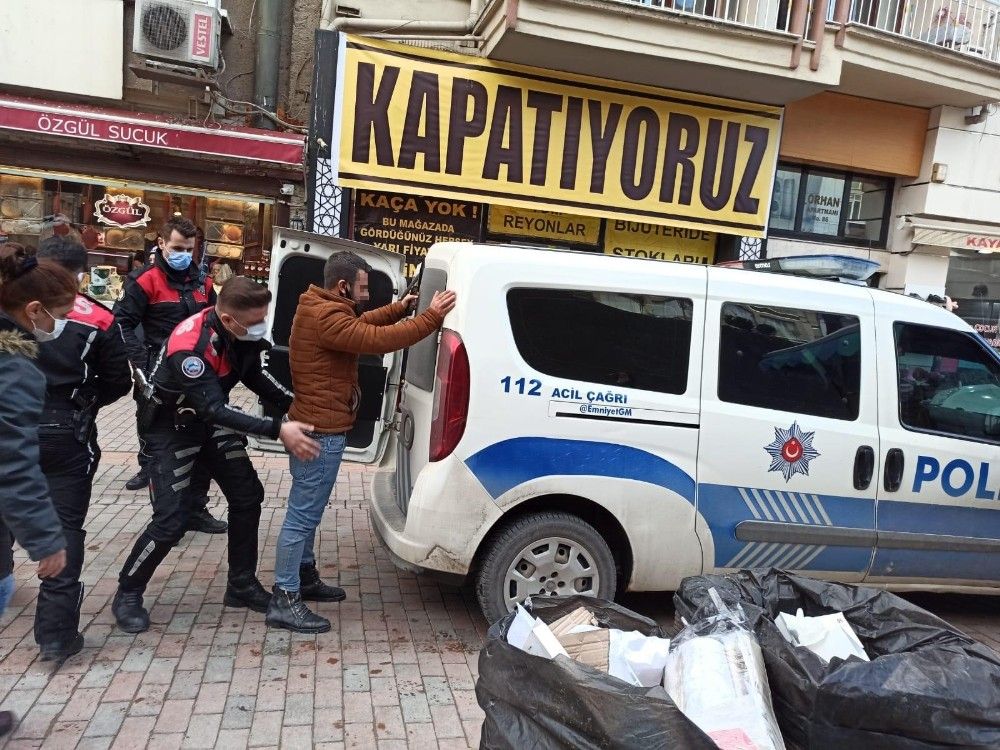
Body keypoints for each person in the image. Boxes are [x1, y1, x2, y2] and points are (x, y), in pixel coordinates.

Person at [112, 276, 320, 634]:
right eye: (256, 321)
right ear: (228, 319)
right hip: (171, 428)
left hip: (209, 421)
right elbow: (214, 409)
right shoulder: (189, 347)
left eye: (263, 318)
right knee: (171, 521)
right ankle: (128, 593)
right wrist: (278, 429)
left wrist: (296, 405)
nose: (261, 326)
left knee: (247, 496)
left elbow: (254, 377)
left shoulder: (240, 333)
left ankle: (241, 585)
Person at [268, 252, 456, 633]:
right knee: (301, 517)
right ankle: (284, 598)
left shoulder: (321, 306)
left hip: (317, 426)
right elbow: (377, 339)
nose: (367, 296)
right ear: (343, 286)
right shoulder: (327, 316)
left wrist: (400, 309)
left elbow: (361, 326)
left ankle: (303, 576)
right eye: (363, 288)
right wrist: (431, 318)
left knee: (307, 513)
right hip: (321, 433)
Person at [33, 236, 132, 660]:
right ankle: (55, 635)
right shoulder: (99, 318)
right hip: (65, 429)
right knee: (65, 526)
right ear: (80, 274)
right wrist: (84, 403)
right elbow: (119, 380)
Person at [114, 217, 227, 534]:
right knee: (161, 453)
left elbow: (215, 320)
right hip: (159, 376)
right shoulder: (144, 281)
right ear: (161, 244)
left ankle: (196, 510)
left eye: (190, 249)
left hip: (197, 375)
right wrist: (142, 366)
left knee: (202, 445)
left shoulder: (203, 282)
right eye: (178, 248)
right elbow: (121, 324)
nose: (184, 255)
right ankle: (167, 519)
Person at [0, 244, 71, 735]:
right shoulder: (13, 366)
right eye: (59, 316)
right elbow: (12, 461)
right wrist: (45, 539)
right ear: (33, 310)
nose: (59, 326)